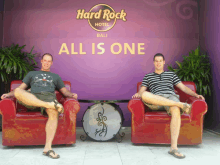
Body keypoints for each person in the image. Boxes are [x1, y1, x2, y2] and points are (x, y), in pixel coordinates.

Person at [1, 53, 78, 159]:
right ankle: (49, 105)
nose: (46, 63)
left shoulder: (56, 77)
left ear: (51, 63)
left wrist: (72, 95)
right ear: (41, 61)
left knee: (53, 112)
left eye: (49, 61)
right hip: (32, 99)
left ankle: (47, 148)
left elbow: (65, 92)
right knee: (18, 91)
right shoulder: (32, 74)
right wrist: (8, 94)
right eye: (45, 60)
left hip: (49, 98)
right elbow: (20, 88)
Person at [132, 53, 205, 159]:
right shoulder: (148, 76)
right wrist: (138, 94)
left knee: (175, 110)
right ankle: (180, 104)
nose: (158, 63)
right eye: (156, 61)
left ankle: (173, 148)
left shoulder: (171, 75)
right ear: (154, 63)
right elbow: (142, 91)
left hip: (171, 98)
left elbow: (183, 88)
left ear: (164, 62)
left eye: (160, 61)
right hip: (156, 100)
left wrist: (196, 95)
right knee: (144, 95)